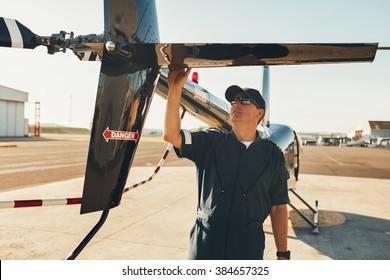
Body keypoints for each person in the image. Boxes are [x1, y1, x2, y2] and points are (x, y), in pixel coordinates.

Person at [164, 66, 290, 260]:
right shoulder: (210, 142)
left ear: (259, 113)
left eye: (244, 100)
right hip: (205, 245)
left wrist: (283, 254)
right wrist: (174, 89)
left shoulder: (273, 155)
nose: (236, 104)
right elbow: (171, 135)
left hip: (247, 249)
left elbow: (279, 207)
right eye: (233, 100)